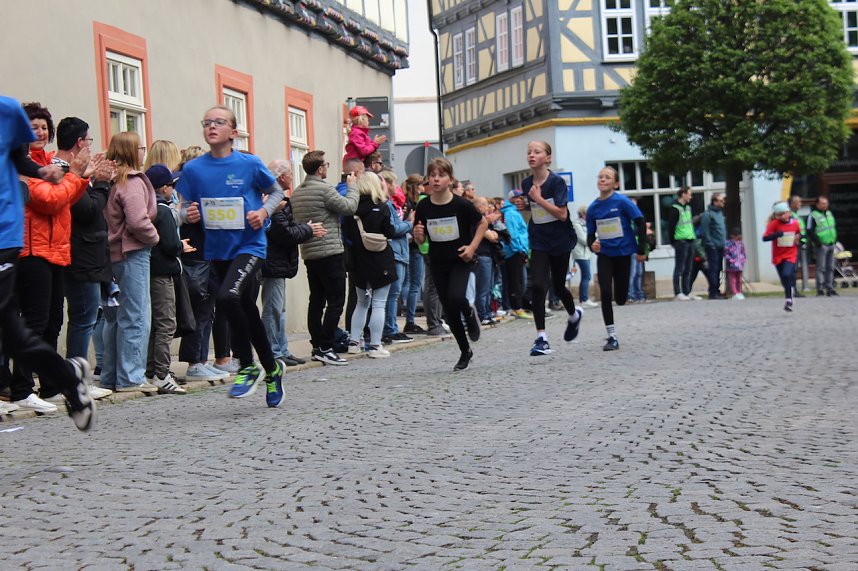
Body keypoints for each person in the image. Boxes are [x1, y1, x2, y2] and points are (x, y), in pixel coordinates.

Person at [178, 105, 287, 407]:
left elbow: (277, 192)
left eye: (219, 122)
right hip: (217, 251)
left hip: (250, 246)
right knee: (246, 309)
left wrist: (263, 211)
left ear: (233, 132)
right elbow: (182, 207)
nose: (212, 127)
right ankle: (273, 369)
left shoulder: (249, 164)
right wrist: (187, 214)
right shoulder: (193, 169)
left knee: (227, 299)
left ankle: (247, 365)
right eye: (207, 122)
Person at [0, 94, 95, 429]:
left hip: (6, 235)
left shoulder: (7, 111)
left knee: (21, 326)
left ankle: (58, 379)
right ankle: (65, 374)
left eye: (43, 127)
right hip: (33, 248)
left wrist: (45, 172)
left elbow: (18, 161)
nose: (39, 132)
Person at [413, 157, 487, 371]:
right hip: (437, 261)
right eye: (433, 175)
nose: (436, 179)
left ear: (450, 179)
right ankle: (465, 351)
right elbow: (422, 239)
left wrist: (472, 247)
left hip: (460, 259)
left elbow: (482, 223)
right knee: (449, 310)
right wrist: (418, 236)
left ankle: (470, 314)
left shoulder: (461, 204)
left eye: (441, 175)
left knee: (456, 297)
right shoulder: (424, 206)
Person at [101, 131, 160, 394]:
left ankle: (111, 376)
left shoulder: (107, 181)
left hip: (111, 254)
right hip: (132, 252)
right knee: (136, 315)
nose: (143, 152)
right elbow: (137, 221)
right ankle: (131, 377)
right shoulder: (132, 181)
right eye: (140, 147)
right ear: (130, 151)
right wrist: (154, 237)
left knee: (114, 318)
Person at [291, 150, 358, 365]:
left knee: (316, 300)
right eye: (326, 164)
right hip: (330, 251)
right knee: (336, 300)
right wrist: (353, 186)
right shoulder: (325, 189)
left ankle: (317, 344)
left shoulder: (297, 193)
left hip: (310, 253)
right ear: (320, 168)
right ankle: (326, 346)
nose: (327, 168)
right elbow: (349, 207)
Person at [521, 141, 582, 357]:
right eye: (529, 152)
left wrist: (536, 199)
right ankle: (541, 338)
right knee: (538, 285)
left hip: (560, 240)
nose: (531, 155)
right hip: (539, 239)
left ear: (548, 158)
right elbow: (535, 208)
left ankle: (574, 315)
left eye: (537, 152)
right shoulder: (526, 182)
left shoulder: (557, 182)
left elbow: (562, 214)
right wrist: (526, 205)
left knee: (558, 285)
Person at [261, 159, 323, 366]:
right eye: (290, 173)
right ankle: (274, 352)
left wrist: (304, 228)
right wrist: (308, 230)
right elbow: (283, 233)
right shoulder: (273, 201)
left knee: (279, 309)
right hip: (272, 261)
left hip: (278, 261)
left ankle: (282, 349)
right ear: (282, 177)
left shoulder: (280, 201)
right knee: (273, 308)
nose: (292, 177)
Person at [586, 167, 647, 351]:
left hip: (623, 253)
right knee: (605, 291)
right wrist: (592, 245)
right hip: (605, 254)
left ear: (616, 183)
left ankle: (621, 297)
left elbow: (641, 223)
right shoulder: (593, 208)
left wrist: (641, 249)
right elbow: (590, 236)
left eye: (608, 177)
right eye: (600, 177)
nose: (603, 180)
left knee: (620, 297)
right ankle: (611, 336)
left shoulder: (622, 201)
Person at [140, 164, 186, 394]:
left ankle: (151, 370)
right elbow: (169, 244)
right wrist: (181, 246)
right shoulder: (164, 211)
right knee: (166, 323)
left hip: (149, 270)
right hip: (163, 273)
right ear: (165, 188)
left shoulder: (147, 207)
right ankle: (162, 372)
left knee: (154, 324)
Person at [344, 173, 398, 357]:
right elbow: (390, 232)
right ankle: (375, 345)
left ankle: (353, 342)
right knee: (379, 304)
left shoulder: (352, 208)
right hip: (380, 259)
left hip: (359, 260)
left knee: (361, 303)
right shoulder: (381, 207)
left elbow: (348, 235)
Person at [379, 169, 414, 344]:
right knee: (393, 293)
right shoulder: (387, 205)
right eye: (392, 183)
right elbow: (394, 229)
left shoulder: (391, 204)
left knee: (394, 293)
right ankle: (390, 328)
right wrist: (410, 223)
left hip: (399, 251)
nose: (395, 187)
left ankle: (391, 327)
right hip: (395, 252)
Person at [763, 202, 801, 311]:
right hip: (778, 255)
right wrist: (776, 235)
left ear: (789, 213)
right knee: (783, 278)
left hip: (790, 254)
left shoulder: (795, 223)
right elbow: (765, 238)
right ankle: (789, 292)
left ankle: (788, 299)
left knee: (786, 274)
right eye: (779, 215)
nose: (782, 217)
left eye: (784, 214)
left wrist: (799, 238)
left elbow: (799, 234)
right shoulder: (774, 224)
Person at [499, 190, 531, 318]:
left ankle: (515, 307)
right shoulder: (511, 213)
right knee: (516, 282)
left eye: (521, 198)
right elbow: (513, 234)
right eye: (517, 198)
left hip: (517, 250)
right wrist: (520, 249)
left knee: (517, 281)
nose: (520, 200)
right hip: (514, 251)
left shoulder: (513, 212)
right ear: (511, 199)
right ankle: (516, 307)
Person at [402, 174, 426, 335]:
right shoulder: (411, 205)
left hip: (410, 247)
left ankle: (409, 319)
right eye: (422, 185)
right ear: (417, 186)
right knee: (414, 284)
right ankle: (410, 321)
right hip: (414, 248)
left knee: (410, 284)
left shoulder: (406, 202)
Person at [667, 186, 697, 301]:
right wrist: (673, 242)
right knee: (679, 267)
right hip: (680, 241)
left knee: (688, 268)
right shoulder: (675, 208)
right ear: (683, 194)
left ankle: (686, 291)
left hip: (690, 239)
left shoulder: (688, 208)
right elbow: (671, 227)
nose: (690, 196)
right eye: (689, 194)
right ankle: (678, 292)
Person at [806, 195, 838, 296]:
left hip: (831, 243)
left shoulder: (829, 213)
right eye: (823, 203)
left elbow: (832, 228)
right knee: (821, 267)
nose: (825, 205)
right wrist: (817, 242)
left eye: (826, 203)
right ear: (817, 204)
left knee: (830, 267)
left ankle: (830, 288)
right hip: (821, 245)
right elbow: (809, 230)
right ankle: (820, 289)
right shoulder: (813, 215)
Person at [699, 193, 727, 299]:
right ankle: (713, 291)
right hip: (713, 247)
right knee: (713, 269)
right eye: (721, 200)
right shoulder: (708, 214)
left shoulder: (720, 214)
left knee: (718, 269)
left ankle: (717, 290)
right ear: (714, 201)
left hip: (721, 246)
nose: (723, 202)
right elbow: (705, 232)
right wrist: (710, 244)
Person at [570, 205, 597, 309]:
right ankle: (584, 299)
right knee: (587, 276)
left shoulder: (587, 225)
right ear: (583, 214)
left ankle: (583, 299)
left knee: (586, 276)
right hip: (580, 253)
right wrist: (593, 241)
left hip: (586, 253)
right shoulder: (577, 225)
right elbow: (584, 239)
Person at [789, 195, 809, 295]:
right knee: (793, 268)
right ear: (792, 204)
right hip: (794, 245)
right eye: (798, 202)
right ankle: (793, 290)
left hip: (799, 244)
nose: (800, 204)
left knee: (795, 268)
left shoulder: (796, 215)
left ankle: (794, 290)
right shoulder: (791, 216)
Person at [724, 227, 747, 300]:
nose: (738, 237)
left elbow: (743, 253)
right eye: (736, 235)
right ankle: (735, 292)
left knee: (739, 279)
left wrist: (743, 259)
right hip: (732, 265)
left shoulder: (741, 244)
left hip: (739, 264)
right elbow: (726, 254)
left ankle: (739, 292)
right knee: (733, 279)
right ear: (732, 236)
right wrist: (731, 260)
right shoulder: (728, 244)